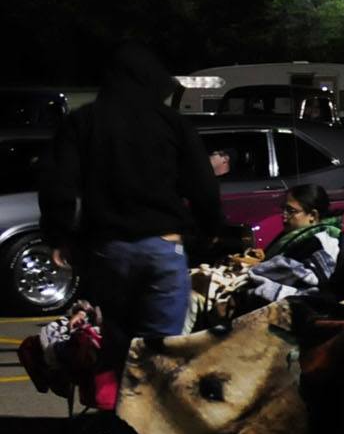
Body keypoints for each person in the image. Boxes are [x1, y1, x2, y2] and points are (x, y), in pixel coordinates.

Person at [39, 42, 227, 379]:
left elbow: (58, 183)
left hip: (108, 251)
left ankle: (120, 424)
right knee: (162, 351)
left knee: (116, 347)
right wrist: (210, 227)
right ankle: (152, 424)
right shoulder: (172, 123)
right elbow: (202, 185)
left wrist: (59, 235)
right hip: (164, 246)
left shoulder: (83, 122)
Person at [237, 184, 344, 306]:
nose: (284, 215)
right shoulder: (296, 235)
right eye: (284, 209)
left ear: (312, 215)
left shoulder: (318, 241)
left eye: (291, 210)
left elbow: (295, 276)